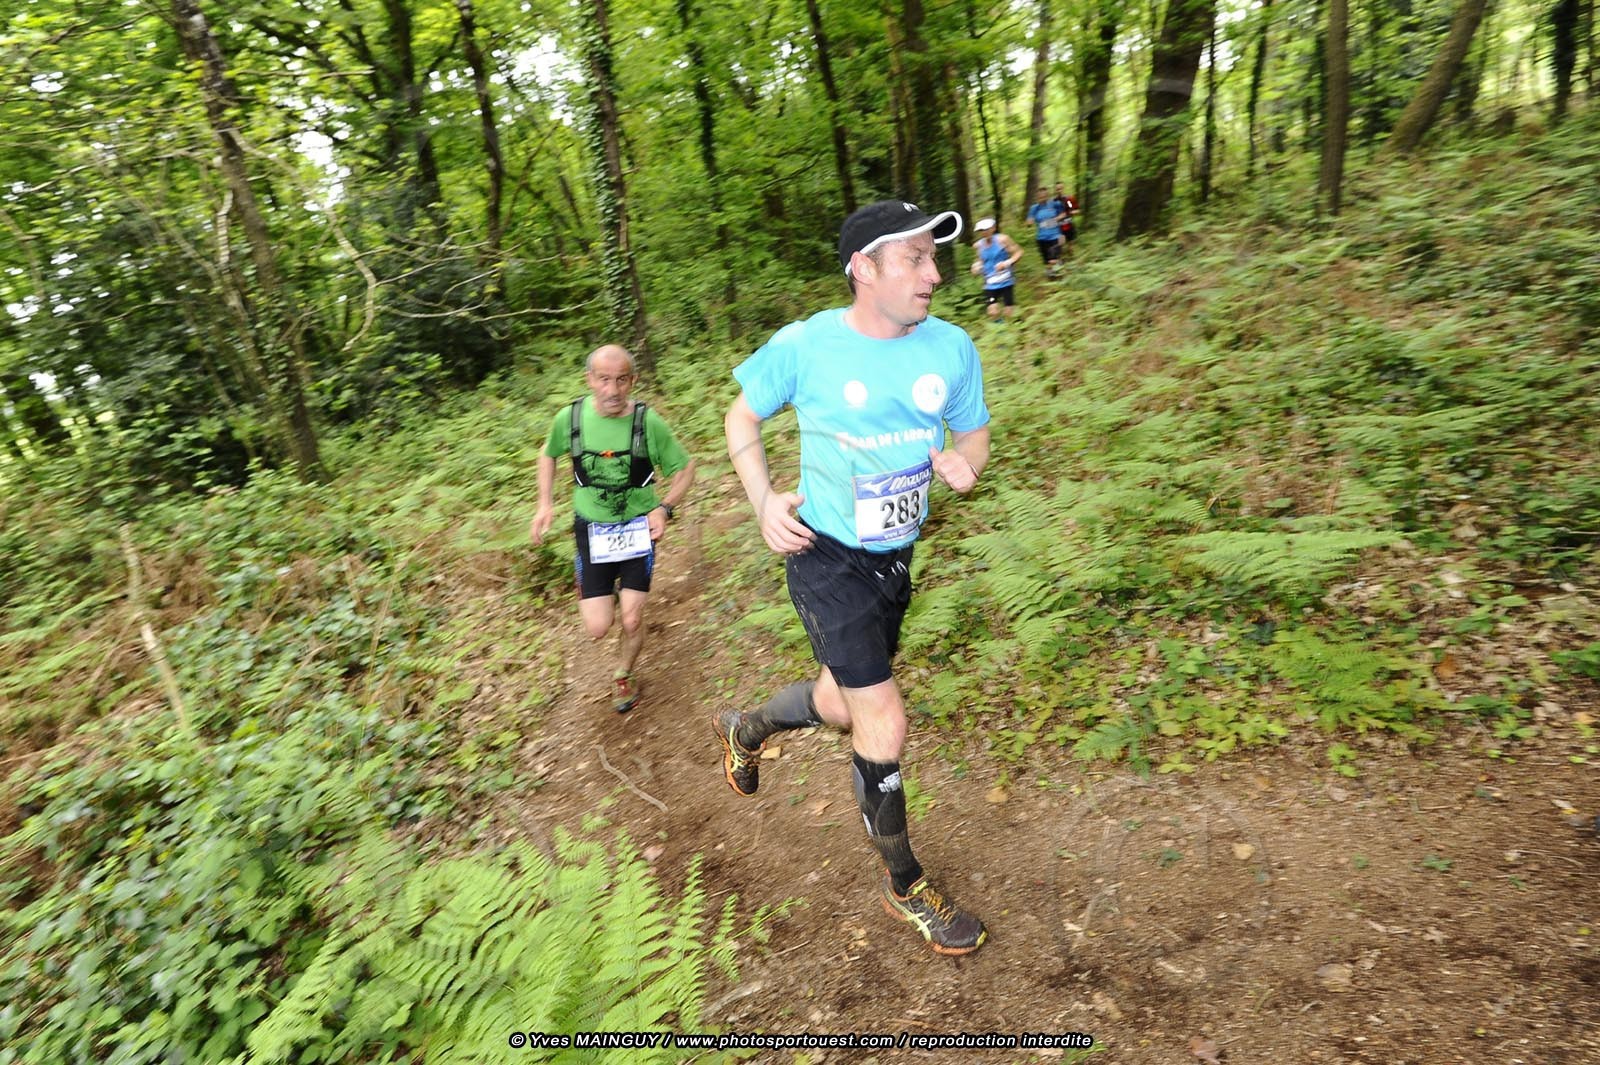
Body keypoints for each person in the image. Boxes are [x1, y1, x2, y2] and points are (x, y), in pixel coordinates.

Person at [717, 200, 992, 955]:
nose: (934, 275)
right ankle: (906, 885)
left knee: (841, 704)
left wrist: (967, 464)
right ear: (863, 269)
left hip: (894, 560)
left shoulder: (951, 347)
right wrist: (763, 500)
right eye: (915, 259)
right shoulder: (806, 345)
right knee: (883, 719)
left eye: (934, 258)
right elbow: (741, 418)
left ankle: (747, 728)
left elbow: (974, 432)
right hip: (823, 555)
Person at [530, 344, 696, 713]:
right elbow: (548, 453)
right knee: (598, 627)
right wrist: (544, 503)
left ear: (632, 381)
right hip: (591, 529)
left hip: (637, 528)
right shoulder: (570, 418)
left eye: (621, 380)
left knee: (632, 618)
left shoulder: (648, 422)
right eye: (604, 379)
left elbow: (686, 467)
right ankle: (600, 583)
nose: (612, 390)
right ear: (590, 379)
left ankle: (624, 672)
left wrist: (664, 509)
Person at [968, 216, 1024, 323]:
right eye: (981, 230)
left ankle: (1015, 326)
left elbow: (1019, 252)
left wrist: (1007, 263)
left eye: (986, 229)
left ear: (993, 228)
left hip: (1006, 281)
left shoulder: (1002, 239)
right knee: (992, 312)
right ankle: (1000, 328)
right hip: (990, 283)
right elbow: (979, 260)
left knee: (1009, 312)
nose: (984, 232)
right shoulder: (978, 245)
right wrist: (976, 267)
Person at [1025, 185, 1067, 279]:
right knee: (1047, 261)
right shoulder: (1034, 208)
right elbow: (1029, 221)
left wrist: (1055, 220)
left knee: (1053, 259)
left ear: (1047, 196)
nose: (1042, 198)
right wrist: (1029, 222)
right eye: (1040, 196)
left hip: (1055, 236)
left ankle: (1058, 274)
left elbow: (1063, 214)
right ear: (1037, 197)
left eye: (1044, 196)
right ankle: (1053, 275)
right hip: (1041, 238)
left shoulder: (1055, 204)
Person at [1050, 183, 1079, 259]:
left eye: (1060, 188)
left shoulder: (1068, 199)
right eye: (1057, 189)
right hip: (1059, 226)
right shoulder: (1053, 201)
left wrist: (1071, 212)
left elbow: (1073, 209)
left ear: (1063, 189)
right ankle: (1062, 259)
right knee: (1061, 244)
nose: (1059, 191)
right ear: (1055, 190)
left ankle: (1072, 257)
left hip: (1068, 224)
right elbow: (1051, 213)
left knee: (1070, 245)